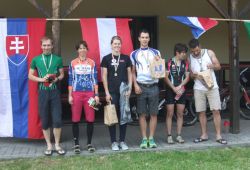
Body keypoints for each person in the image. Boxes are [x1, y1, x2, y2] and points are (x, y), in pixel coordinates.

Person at [28, 36, 66, 156]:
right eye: (44, 45)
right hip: (43, 92)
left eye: (48, 45)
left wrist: (56, 79)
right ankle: (49, 145)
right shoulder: (36, 59)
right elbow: (30, 75)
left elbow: (62, 74)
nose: (46, 47)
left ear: (52, 46)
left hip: (54, 92)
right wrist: (41, 79)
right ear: (41, 46)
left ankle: (57, 145)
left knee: (57, 120)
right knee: (44, 120)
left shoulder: (58, 59)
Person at [188, 38, 227, 144]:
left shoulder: (209, 52)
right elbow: (190, 75)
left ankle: (218, 136)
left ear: (200, 46)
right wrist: (193, 75)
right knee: (201, 112)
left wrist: (213, 66)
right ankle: (204, 135)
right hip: (198, 87)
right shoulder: (190, 57)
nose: (195, 53)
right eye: (193, 51)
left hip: (212, 87)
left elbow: (219, 66)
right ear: (190, 50)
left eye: (197, 50)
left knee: (216, 110)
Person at [130, 29, 161, 149]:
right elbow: (132, 72)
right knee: (142, 114)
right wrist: (135, 85)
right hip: (141, 86)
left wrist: (159, 66)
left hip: (153, 86)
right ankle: (144, 139)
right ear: (139, 39)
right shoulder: (133, 53)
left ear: (149, 39)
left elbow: (159, 68)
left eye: (146, 37)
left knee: (153, 114)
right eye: (142, 37)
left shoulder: (156, 52)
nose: (144, 39)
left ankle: (151, 138)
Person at [101, 36, 132, 151]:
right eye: (115, 44)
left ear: (121, 45)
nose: (117, 46)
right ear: (111, 45)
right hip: (112, 92)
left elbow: (130, 74)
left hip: (124, 91)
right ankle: (113, 142)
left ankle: (122, 141)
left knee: (123, 116)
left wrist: (130, 88)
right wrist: (106, 92)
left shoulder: (126, 58)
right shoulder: (106, 58)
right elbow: (104, 76)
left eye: (119, 43)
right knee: (112, 117)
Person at [68, 40, 100, 154]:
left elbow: (95, 79)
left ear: (87, 49)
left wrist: (96, 95)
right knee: (75, 119)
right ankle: (76, 144)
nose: (82, 50)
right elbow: (70, 80)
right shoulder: (73, 63)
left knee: (90, 119)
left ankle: (89, 143)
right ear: (77, 50)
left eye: (84, 48)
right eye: (80, 48)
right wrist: (69, 95)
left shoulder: (92, 62)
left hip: (90, 94)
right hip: (76, 93)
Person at [164, 43, 189, 144]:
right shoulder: (169, 63)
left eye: (185, 53)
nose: (184, 55)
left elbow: (188, 77)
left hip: (181, 90)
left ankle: (179, 135)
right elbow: (165, 77)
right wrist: (173, 88)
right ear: (177, 53)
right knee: (170, 113)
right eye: (182, 53)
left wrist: (180, 86)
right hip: (170, 90)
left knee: (180, 114)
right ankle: (169, 136)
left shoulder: (186, 63)